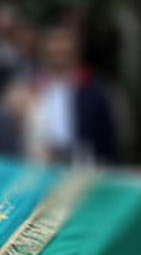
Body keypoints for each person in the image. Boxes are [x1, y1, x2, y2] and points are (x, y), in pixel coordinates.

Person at [26, 25, 119, 164]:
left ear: (74, 49)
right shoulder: (32, 87)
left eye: (63, 42)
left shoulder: (92, 90)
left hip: (81, 165)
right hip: (40, 163)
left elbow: (109, 142)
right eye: (54, 42)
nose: (58, 48)